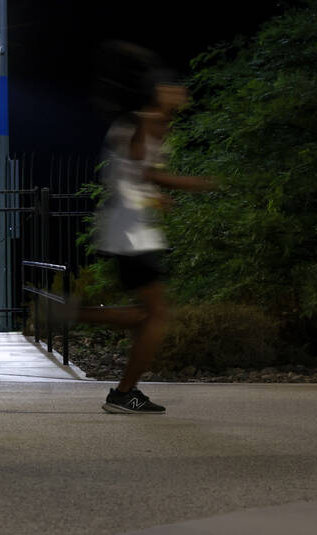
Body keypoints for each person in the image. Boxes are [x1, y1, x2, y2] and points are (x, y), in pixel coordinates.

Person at [73, 45, 218, 414]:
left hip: (136, 231)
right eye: (173, 88)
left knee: (146, 315)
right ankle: (121, 390)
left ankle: (78, 323)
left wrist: (154, 196)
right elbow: (143, 171)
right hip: (130, 234)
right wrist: (194, 183)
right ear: (157, 92)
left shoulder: (149, 122)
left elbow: (132, 177)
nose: (182, 93)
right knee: (155, 315)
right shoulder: (144, 121)